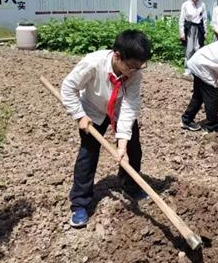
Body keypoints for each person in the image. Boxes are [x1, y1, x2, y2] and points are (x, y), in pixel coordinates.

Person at [61, 30, 151, 228]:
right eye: (131, 66)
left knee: (133, 150)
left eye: (139, 67)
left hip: (119, 109)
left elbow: (130, 106)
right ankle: (79, 203)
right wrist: (79, 115)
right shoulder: (93, 63)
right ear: (117, 55)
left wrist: (122, 145)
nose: (134, 71)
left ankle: (130, 185)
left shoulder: (134, 73)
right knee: (88, 153)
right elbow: (68, 87)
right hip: (92, 110)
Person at [179, 0, 207, 76]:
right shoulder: (185, 5)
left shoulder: (202, 5)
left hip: (199, 28)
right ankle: (187, 69)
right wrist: (182, 32)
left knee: (198, 49)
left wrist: (205, 32)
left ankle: (196, 69)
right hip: (190, 28)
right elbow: (182, 19)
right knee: (189, 49)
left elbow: (205, 19)